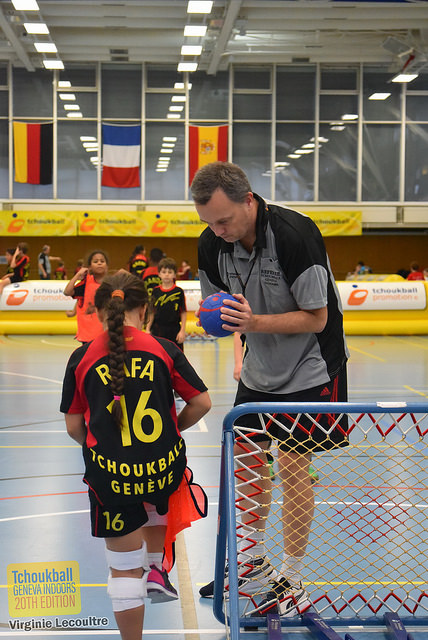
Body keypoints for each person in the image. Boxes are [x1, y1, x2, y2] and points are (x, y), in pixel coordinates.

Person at [191, 161, 349, 616]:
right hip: (259, 367)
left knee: (293, 465)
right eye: (209, 223)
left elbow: (317, 317)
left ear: (249, 200)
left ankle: (292, 579)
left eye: (224, 220)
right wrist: (235, 345)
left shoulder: (295, 235)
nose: (218, 231)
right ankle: (252, 561)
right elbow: (224, 311)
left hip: (311, 366)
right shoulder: (211, 244)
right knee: (246, 461)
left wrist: (252, 323)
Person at [60, 270, 211, 640]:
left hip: (111, 475)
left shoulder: (82, 357)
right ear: (144, 310)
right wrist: (172, 430)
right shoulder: (164, 348)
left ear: (98, 312)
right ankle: (157, 567)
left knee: (124, 572)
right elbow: (202, 402)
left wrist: (101, 446)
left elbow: (74, 426)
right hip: (161, 467)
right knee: (159, 488)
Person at [63, 250, 109, 344]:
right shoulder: (86, 283)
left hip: (105, 334)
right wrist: (77, 275)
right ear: (90, 267)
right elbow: (68, 292)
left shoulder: (112, 283)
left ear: (107, 266)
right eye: (95, 261)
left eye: (102, 261)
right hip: (87, 335)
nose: (99, 263)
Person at [146, 257, 187, 351]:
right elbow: (151, 312)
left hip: (174, 330)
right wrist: (147, 329)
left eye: (170, 272)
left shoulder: (179, 291)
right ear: (159, 274)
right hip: (157, 330)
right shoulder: (155, 291)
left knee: (175, 356)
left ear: (174, 274)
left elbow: (183, 312)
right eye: (164, 272)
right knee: (158, 355)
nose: (167, 275)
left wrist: (182, 331)